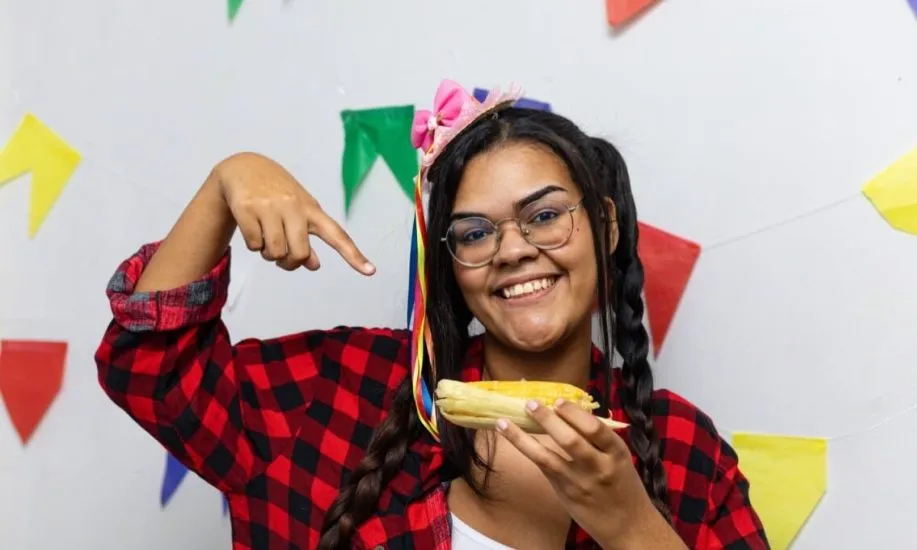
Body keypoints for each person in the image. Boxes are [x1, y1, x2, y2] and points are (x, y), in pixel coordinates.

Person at [95, 80, 768, 550]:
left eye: (544, 216)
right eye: (475, 233)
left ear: (607, 226)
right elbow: (150, 371)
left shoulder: (683, 451)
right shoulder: (343, 390)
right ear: (449, 263)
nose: (512, 250)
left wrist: (632, 529)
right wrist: (228, 180)